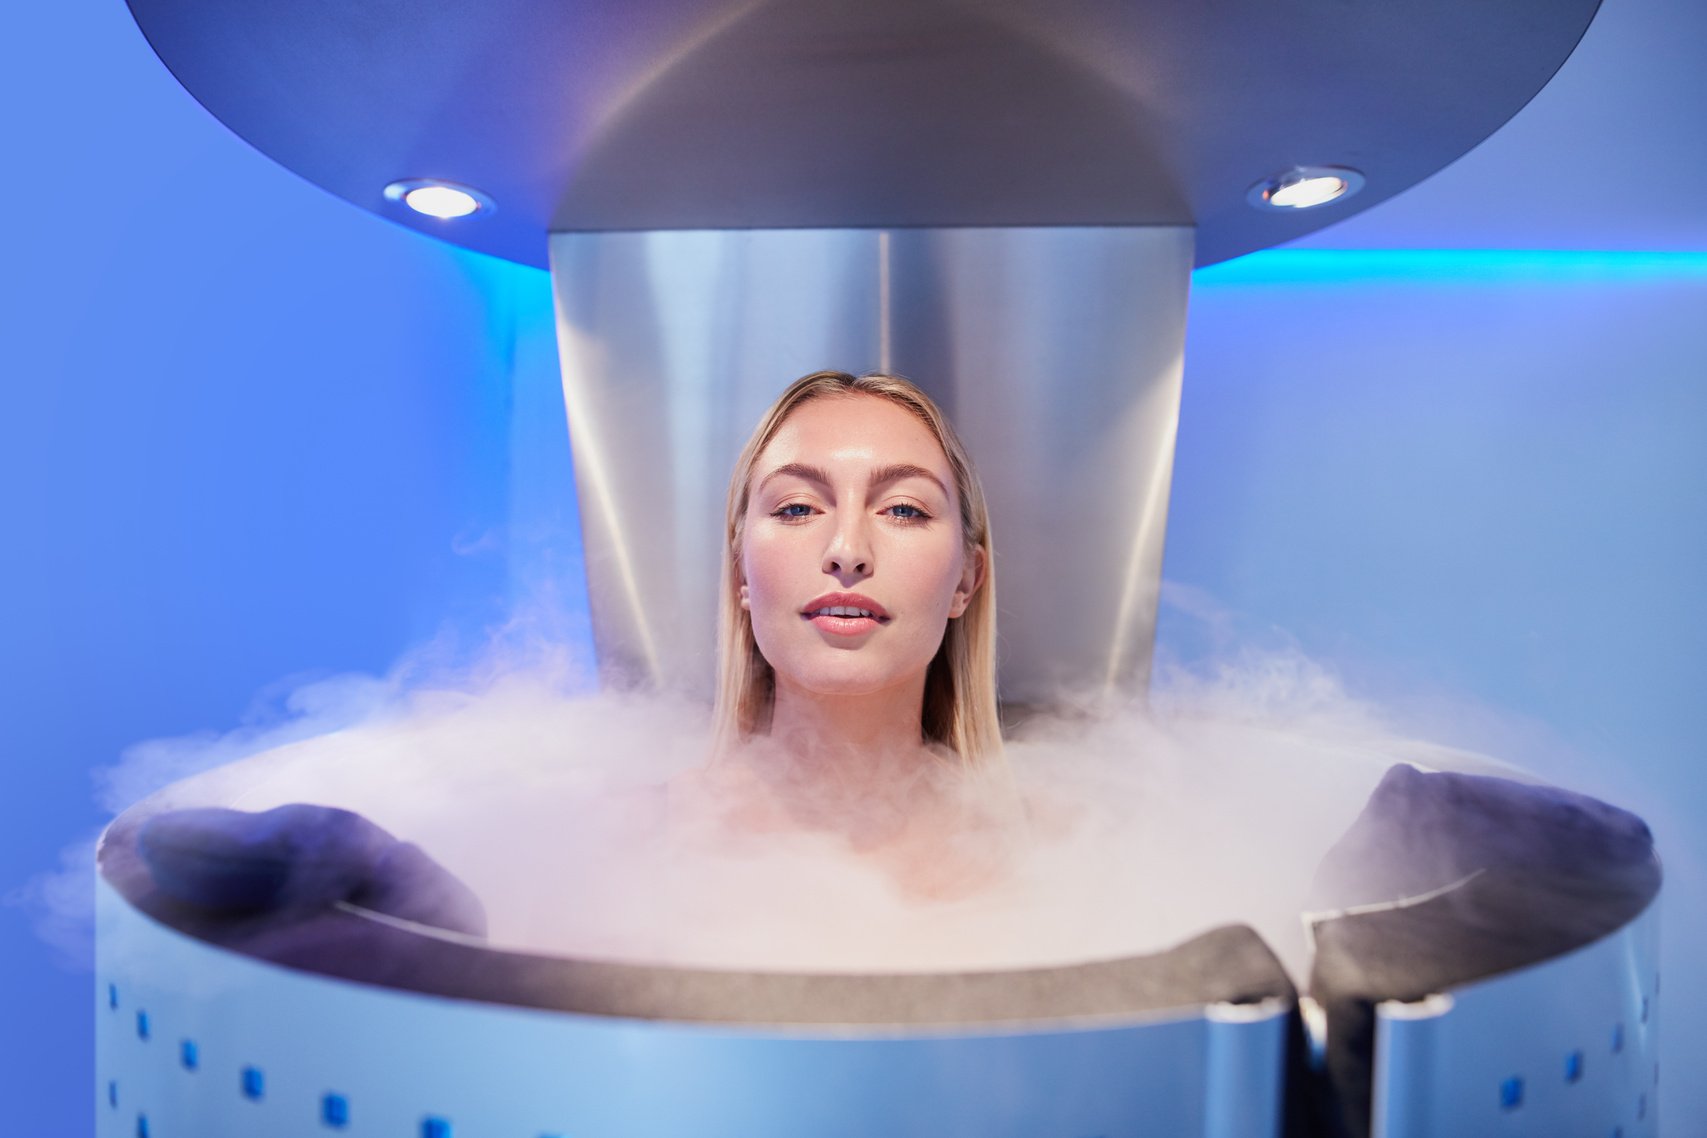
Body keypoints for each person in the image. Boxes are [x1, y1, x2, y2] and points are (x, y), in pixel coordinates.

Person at [667, 370, 1019, 897]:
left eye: (903, 509)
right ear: (742, 573)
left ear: (965, 581)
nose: (847, 550)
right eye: (797, 508)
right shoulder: (635, 845)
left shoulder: (1054, 855)